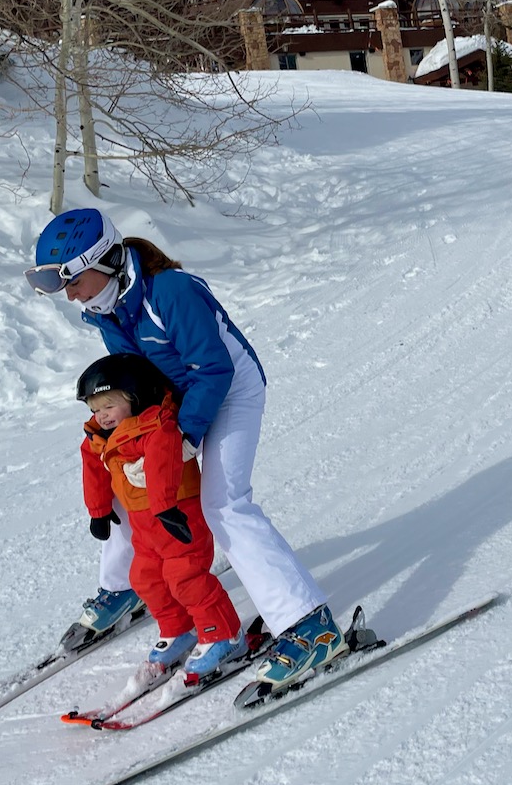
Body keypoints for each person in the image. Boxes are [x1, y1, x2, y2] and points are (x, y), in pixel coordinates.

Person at [25, 207, 348, 689]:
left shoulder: (171, 292)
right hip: (177, 400)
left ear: (105, 260)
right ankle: (126, 588)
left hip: (231, 390)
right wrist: (126, 438)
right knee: (122, 478)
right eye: (58, 283)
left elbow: (214, 370)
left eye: (70, 279)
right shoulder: (105, 309)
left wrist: (183, 439)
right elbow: (140, 381)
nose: (68, 294)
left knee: (224, 504)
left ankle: (309, 626)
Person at [76, 352, 245, 676]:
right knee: (145, 578)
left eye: (109, 406)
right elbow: (92, 466)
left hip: (178, 515)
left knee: (186, 578)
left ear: (133, 396)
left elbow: (163, 462)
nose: (102, 416)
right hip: (145, 526)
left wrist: (166, 506)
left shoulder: (156, 425)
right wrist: (98, 511)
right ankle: (178, 629)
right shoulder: (101, 434)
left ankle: (224, 634)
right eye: (96, 409)